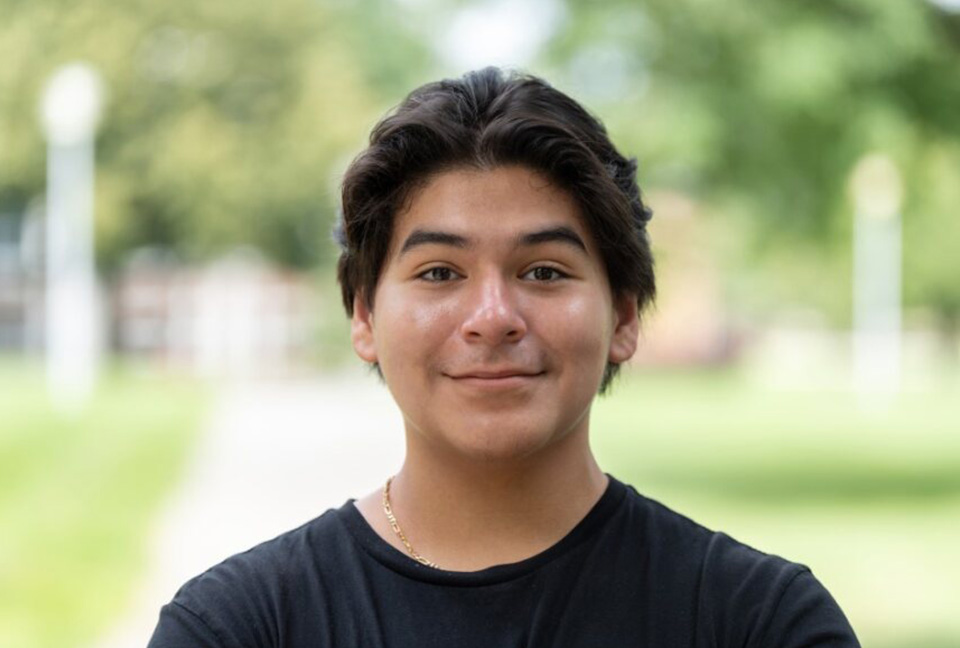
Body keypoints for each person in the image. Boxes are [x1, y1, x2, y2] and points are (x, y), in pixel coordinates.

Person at [147, 67, 860, 647]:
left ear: (623, 315)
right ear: (364, 316)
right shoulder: (239, 628)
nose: (492, 319)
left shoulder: (760, 623)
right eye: (439, 273)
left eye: (544, 271)